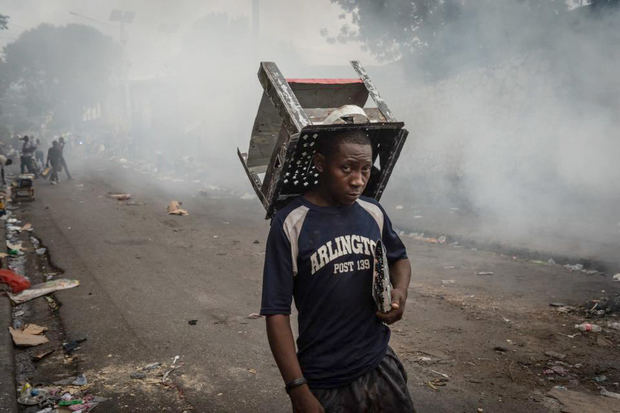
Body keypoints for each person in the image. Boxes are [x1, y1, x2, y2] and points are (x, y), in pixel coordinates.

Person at [260, 130, 415, 412]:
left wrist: (400, 292)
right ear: (320, 163)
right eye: (346, 168)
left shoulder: (373, 212)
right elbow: (276, 313)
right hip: (324, 379)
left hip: (378, 365)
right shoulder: (291, 223)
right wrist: (298, 389)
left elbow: (399, 258)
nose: (358, 180)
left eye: (365, 169)